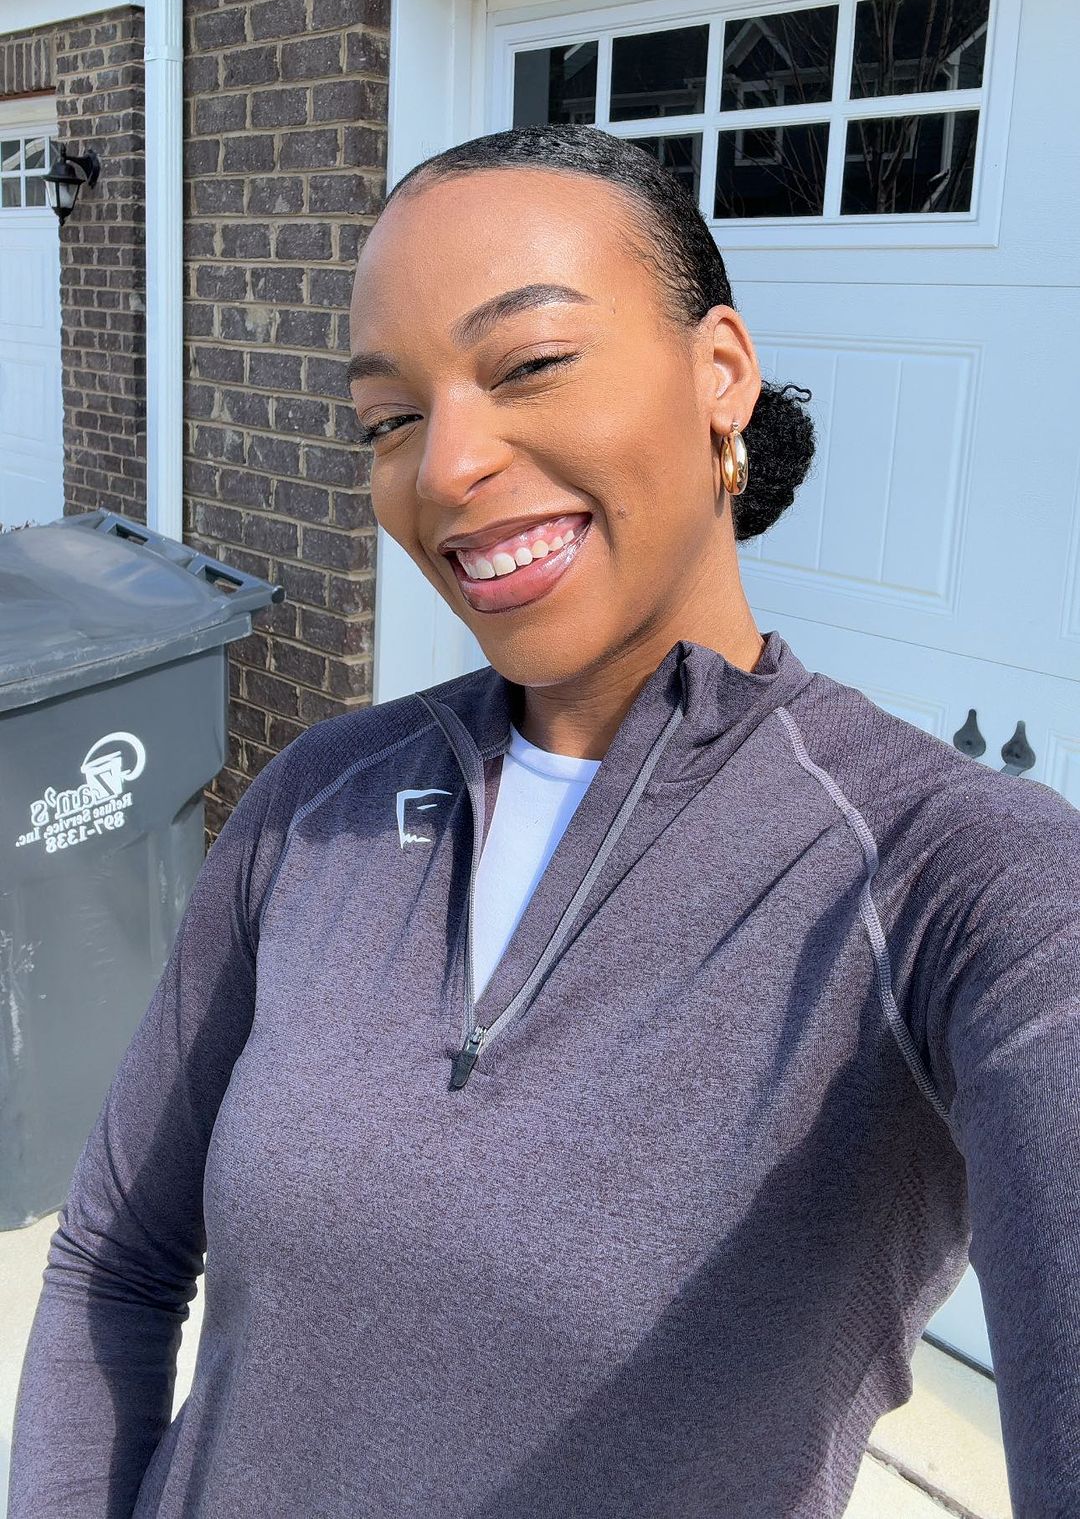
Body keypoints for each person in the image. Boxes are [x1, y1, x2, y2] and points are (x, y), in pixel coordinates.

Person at [9, 125, 1080, 1518]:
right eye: (389, 419)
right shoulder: (317, 803)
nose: (444, 467)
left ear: (720, 374)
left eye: (529, 364)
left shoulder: (953, 883)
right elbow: (115, 1255)